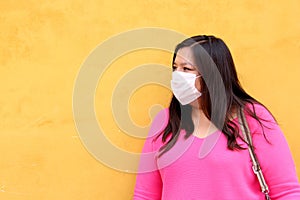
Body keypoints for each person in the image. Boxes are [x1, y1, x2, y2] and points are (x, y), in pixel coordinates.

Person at [133, 35, 300, 199]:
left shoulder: (253, 118)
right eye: (175, 68)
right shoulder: (164, 121)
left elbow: (286, 191)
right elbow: (145, 195)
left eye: (186, 69)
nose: (177, 75)